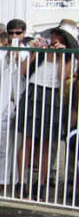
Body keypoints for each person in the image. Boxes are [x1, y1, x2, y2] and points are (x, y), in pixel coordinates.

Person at [16, 24, 78, 201]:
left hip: (52, 97)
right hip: (33, 93)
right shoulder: (41, 51)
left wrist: (62, 55)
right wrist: (34, 51)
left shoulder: (68, 57)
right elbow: (22, 71)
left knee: (45, 143)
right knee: (27, 141)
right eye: (55, 33)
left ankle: (41, 184)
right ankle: (22, 183)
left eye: (60, 35)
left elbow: (61, 77)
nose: (55, 37)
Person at [0, 19, 29, 194]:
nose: (14, 36)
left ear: (24, 33)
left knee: (19, 145)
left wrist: (19, 57)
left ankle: (20, 179)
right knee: (3, 146)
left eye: (18, 33)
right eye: (11, 33)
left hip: (20, 104)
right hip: (1, 104)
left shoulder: (29, 52)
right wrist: (7, 57)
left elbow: (27, 75)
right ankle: (1, 180)